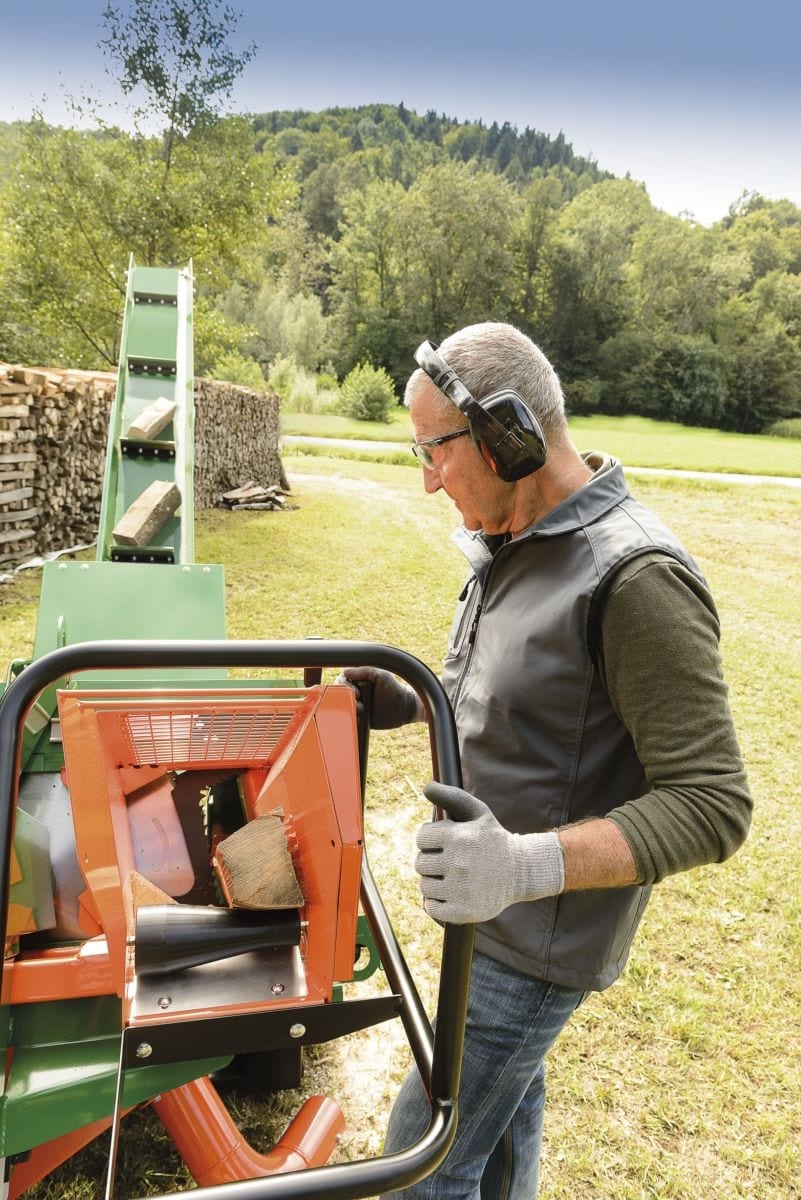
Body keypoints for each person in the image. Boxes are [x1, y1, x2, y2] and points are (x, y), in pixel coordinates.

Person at [341, 321, 752, 1200]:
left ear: (505, 431)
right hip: (488, 917)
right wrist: (408, 697)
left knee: (420, 1166)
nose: (426, 480)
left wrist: (523, 864)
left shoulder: (634, 575)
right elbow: (517, 689)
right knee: (498, 1141)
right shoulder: (516, 538)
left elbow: (713, 802)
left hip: (534, 939)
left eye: (433, 452)